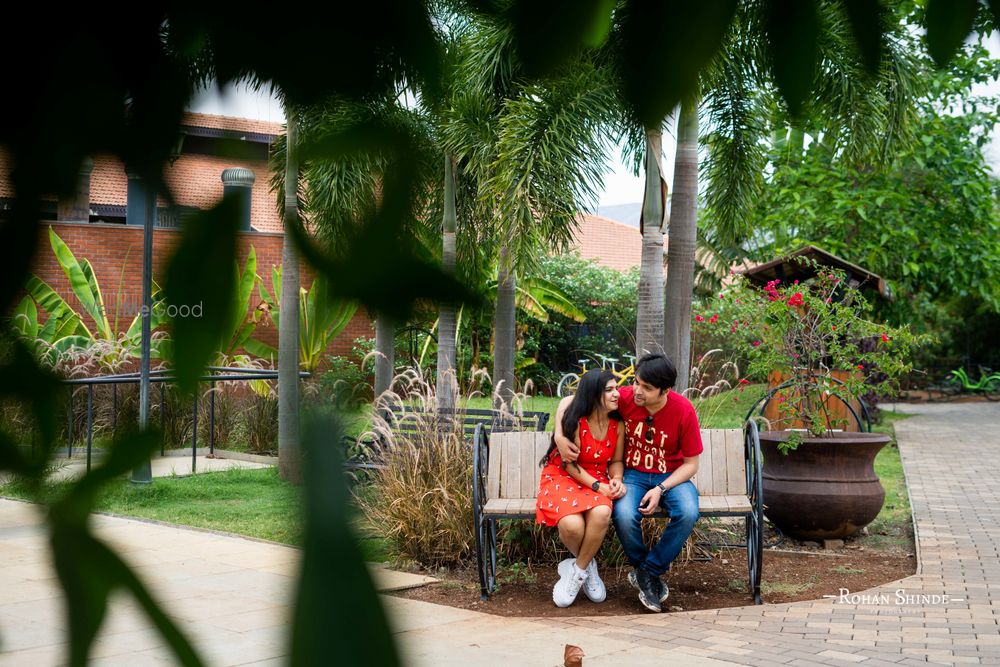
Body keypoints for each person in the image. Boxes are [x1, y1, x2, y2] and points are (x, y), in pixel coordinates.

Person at [553, 353, 702, 613]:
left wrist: (661, 488)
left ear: (665, 390)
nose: (637, 391)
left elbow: (691, 464)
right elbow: (571, 400)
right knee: (622, 513)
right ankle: (645, 572)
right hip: (633, 475)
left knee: (688, 512)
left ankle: (648, 572)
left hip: (671, 477)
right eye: (636, 382)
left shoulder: (683, 410)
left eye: (646, 387)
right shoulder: (626, 397)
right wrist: (558, 434)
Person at [536, 370, 626, 608]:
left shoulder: (618, 425)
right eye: (609, 390)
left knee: (602, 513)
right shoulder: (576, 420)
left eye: (616, 388)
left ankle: (577, 571)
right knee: (571, 525)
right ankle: (588, 567)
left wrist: (616, 478)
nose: (616, 394)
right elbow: (569, 464)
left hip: (596, 476)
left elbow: (616, 461)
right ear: (593, 394)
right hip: (564, 475)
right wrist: (599, 486)